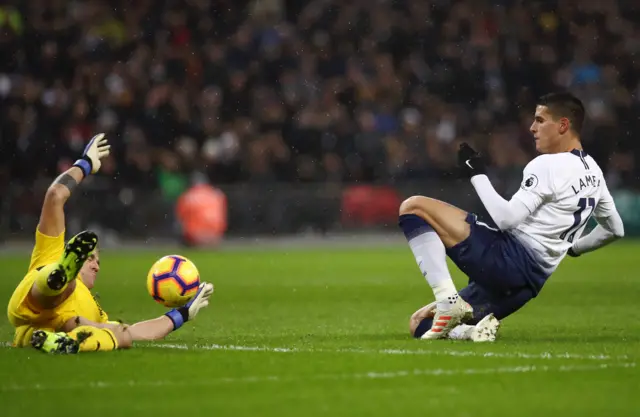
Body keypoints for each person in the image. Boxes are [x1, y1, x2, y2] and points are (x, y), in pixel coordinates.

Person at [398, 92, 625, 341]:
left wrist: (477, 173)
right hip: (526, 287)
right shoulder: (594, 172)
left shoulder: (547, 165)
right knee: (419, 324)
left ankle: (447, 299)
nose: (532, 128)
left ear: (563, 125)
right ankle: (470, 332)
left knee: (413, 207)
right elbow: (615, 229)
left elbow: (506, 219)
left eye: (540, 120)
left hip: (505, 262)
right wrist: (574, 248)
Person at [7, 133, 214, 353]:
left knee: (120, 335)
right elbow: (55, 195)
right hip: (37, 299)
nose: (97, 265)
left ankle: (65, 342)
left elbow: (137, 332)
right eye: (89, 258)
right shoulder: (50, 252)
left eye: (98, 260)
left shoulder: (95, 309)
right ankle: (59, 277)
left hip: (43, 331)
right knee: (57, 287)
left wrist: (182, 314)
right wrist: (84, 164)